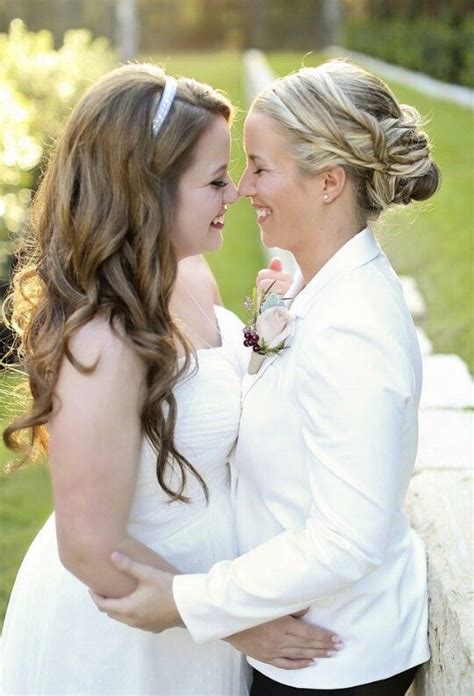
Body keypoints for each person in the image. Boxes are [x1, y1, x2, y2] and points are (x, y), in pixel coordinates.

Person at [92, 59, 441, 696]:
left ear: (329, 181)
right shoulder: (319, 289)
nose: (243, 188)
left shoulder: (353, 329)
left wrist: (191, 600)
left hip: (332, 657)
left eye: (259, 166)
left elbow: (347, 538)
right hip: (305, 645)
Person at [0, 63, 340, 695]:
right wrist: (243, 625)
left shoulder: (187, 276)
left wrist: (264, 337)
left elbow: (212, 405)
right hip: (127, 643)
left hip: (201, 607)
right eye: (215, 180)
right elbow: (90, 548)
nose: (234, 193)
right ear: (147, 191)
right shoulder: (101, 341)